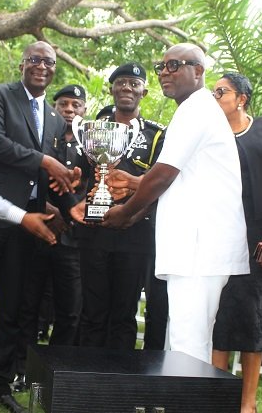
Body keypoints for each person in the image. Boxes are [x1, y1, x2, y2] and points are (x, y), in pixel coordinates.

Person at [103, 44, 250, 364]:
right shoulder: (195, 110)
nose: (164, 73)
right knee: (183, 341)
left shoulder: (196, 109)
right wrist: (135, 184)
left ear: (198, 71)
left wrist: (126, 214)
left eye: (174, 65)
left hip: (199, 248)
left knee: (189, 345)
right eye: (161, 66)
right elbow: (181, 178)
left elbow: (163, 175)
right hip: (194, 247)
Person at [0, 41, 77, 413]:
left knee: (13, 308)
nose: (42, 66)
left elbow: (49, 171)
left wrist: (64, 178)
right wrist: (45, 162)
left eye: (49, 62)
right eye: (35, 59)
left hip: (29, 224)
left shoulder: (55, 119)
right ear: (23, 64)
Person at [72, 63, 167, 351]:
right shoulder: (92, 129)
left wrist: (134, 209)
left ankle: (118, 384)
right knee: (92, 309)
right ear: (112, 89)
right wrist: (78, 199)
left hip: (134, 232)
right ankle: (87, 377)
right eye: (121, 82)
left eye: (134, 84)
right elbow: (80, 178)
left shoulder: (156, 136)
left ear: (144, 92)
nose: (127, 88)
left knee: (124, 312)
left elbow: (159, 184)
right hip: (94, 231)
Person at [210, 73, 262, 413]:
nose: (214, 96)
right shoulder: (209, 137)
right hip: (218, 240)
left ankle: (247, 404)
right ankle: (218, 400)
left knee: (255, 325)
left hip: (259, 245)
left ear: (242, 98)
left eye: (221, 91)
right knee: (219, 322)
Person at [14, 83, 87, 389]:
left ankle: (57, 371)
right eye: (64, 104)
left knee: (70, 311)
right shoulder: (42, 138)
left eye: (76, 105)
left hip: (72, 239)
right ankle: (22, 370)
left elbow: (92, 186)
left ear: (84, 110)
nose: (69, 110)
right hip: (39, 232)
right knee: (28, 307)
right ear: (54, 108)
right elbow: (28, 181)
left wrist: (69, 217)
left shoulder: (92, 143)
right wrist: (51, 211)